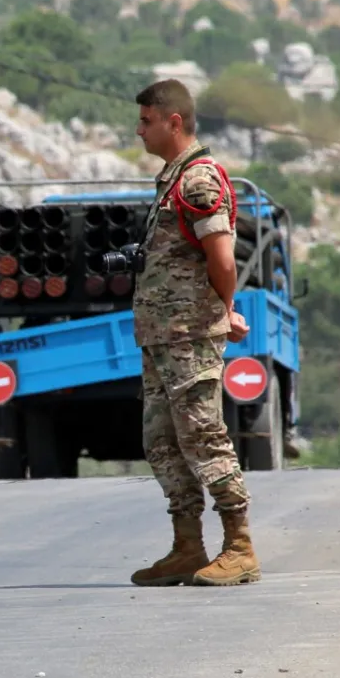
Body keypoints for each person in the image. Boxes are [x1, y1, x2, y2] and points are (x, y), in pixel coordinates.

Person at [127, 79, 260, 588]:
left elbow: (222, 258)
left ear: (174, 122)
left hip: (189, 335)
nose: (140, 131)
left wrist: (225, 309)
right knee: (163, 442)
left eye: (146, 121)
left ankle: (240, 548)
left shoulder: (198, 180)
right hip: (162, 337)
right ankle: (187, 547)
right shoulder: (173, 180)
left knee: (203, 436)